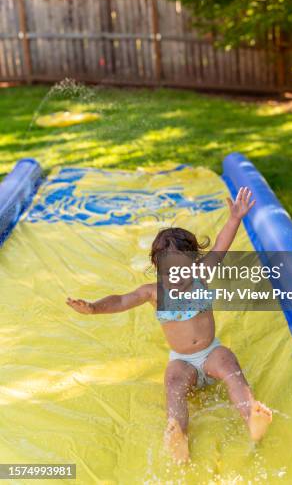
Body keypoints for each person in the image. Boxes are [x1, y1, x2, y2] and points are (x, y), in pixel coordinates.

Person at [67, 187, 272, 463]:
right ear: (157, 267)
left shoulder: (202, 274)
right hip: (182, 360)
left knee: (230, 365)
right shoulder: (152, 293)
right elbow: (120, 300)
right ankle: (178, 434)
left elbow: (221, 246)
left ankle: (251, 415)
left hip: (211, 351)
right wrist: (93, 308)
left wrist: (235, 218)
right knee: (173, 384)